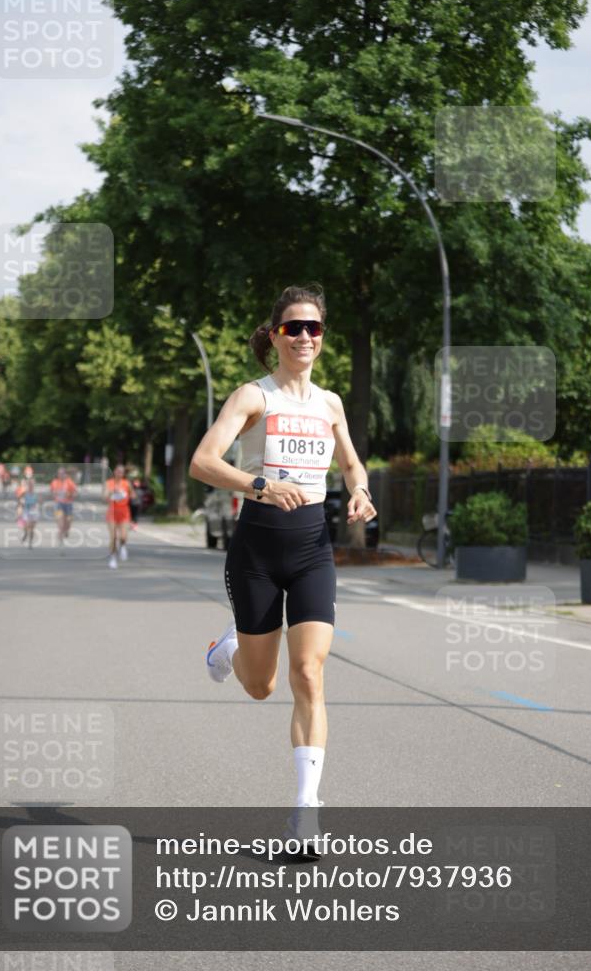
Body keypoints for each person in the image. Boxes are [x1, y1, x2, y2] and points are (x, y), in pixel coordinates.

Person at [189, 283, 376, 845]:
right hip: (257, 553)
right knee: (260, 685)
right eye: (292, 327)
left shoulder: (330, 404)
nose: (303, 336)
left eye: (312, 328)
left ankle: (306, 810)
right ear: (274, 336)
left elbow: (350, 463)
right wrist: (259, 485)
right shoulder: (254, 397)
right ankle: (229, 647)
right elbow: (202, 461)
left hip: (313, 550)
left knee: (309, 675)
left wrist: (361, 490)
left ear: (322, 339)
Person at [104, 464, 136, 568]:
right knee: (113, 537)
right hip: (112, 513)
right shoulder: (109, 483)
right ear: (114, 472)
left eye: (121, 472)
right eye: (118, 471)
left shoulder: (126, 483)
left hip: (124, 512)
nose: (119, 473)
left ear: (123, 474)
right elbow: (104, 496)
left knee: (123, 537)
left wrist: (126, 494)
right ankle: (113, 558)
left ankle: (123, 546)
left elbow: (133, 495)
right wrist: (111, 492)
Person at [49, 467, 77, 549]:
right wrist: (54, 494)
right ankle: (61, 543)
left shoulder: (69, 482)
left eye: (62, 473)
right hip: (58, 504)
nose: (60, 475)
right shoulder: (54, 482)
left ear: (65, 474)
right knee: (60, 524)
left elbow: (75, 493)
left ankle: (66, 531)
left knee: (68, 521)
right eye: (59, 473)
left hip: (68, 504)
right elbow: (51, 493)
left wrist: (70, 495)